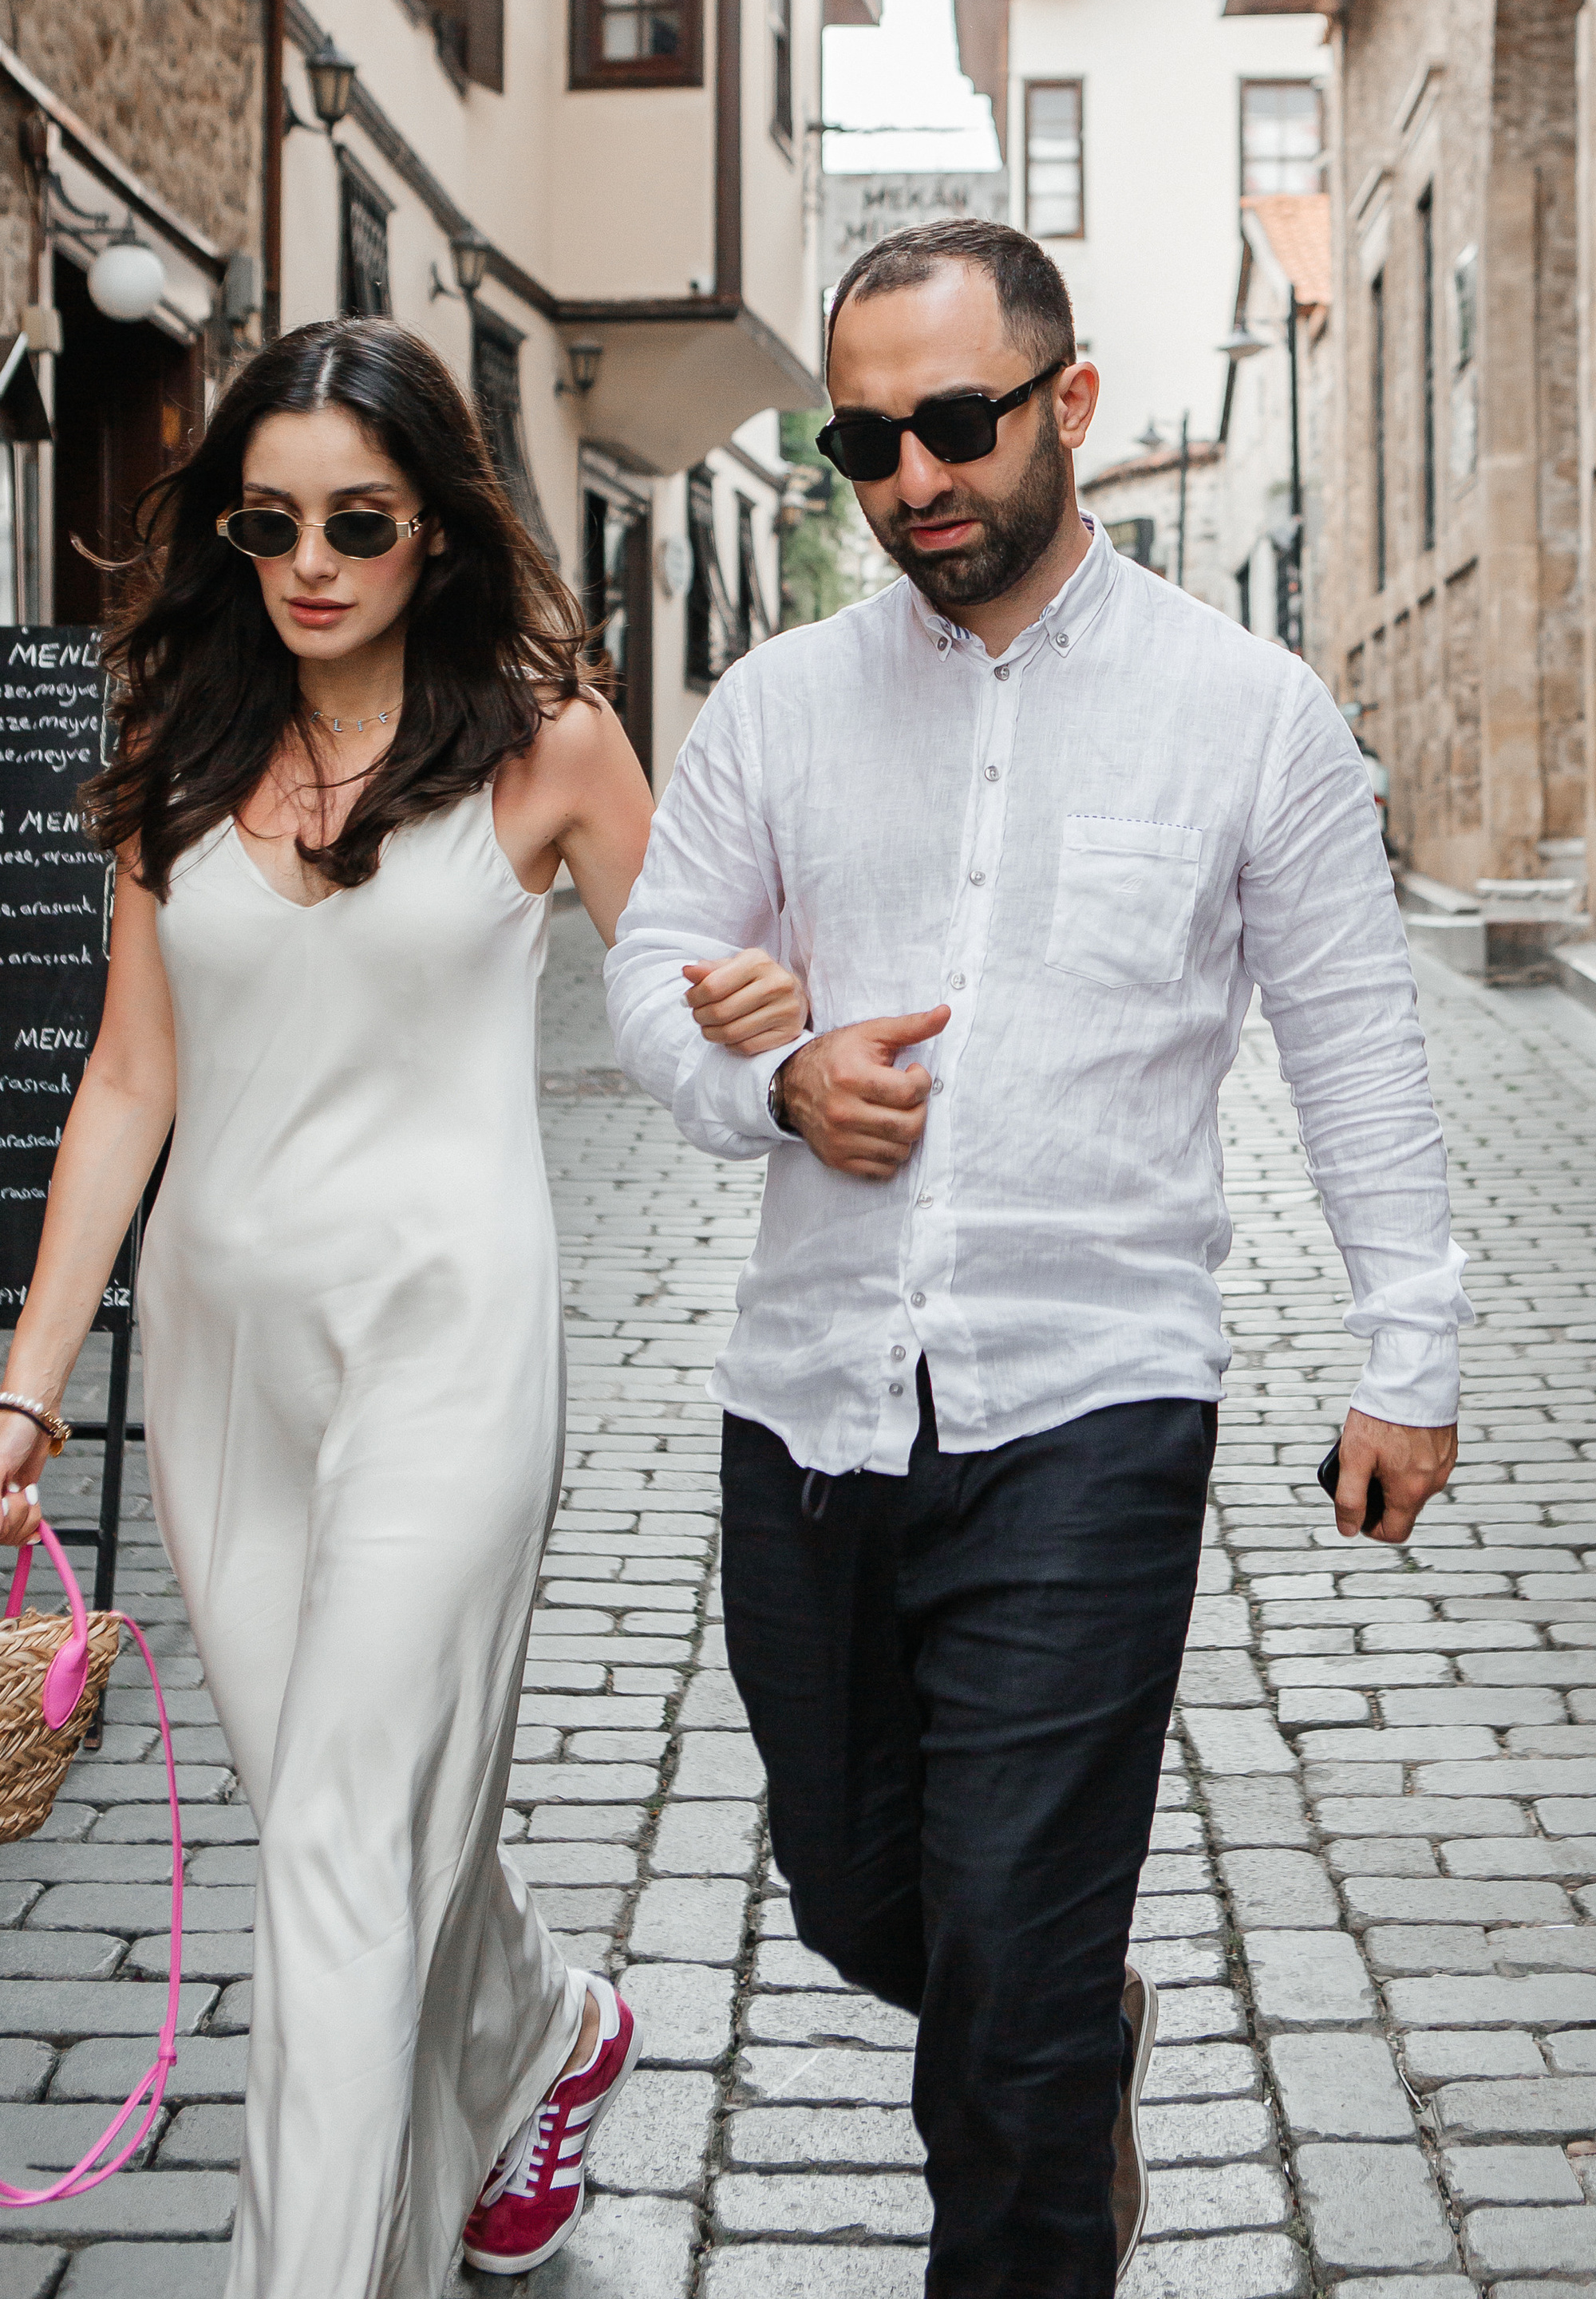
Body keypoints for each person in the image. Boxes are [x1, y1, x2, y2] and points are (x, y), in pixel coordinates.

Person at [606, 217, 1472, 2298]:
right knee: (859, 1900)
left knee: (1011, 1947)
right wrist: (777, 1078)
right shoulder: (777, 708)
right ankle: (1071, 2026)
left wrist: (1408, 1356)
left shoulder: (1246, 715)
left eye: (955, 425)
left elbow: (1354, 1040)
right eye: (865, 443)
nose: (912, 479)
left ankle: (1043, 2083)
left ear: (1067, 401)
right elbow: (653, 971)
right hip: (811, 1407)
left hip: (1094, 1404)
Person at [0, 322, 804, 2296]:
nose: (311, 563)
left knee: (338, 1860)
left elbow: (687, 1000)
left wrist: (760, 1015)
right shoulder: (179, 749)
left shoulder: (550, 744)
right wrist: (24, 1392)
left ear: (436, 525)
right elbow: (128, 1081)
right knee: (337, 1824)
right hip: (223, 1367)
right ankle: (546, 2027)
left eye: (358, 521)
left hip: (450, 1348)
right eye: (267, 524)